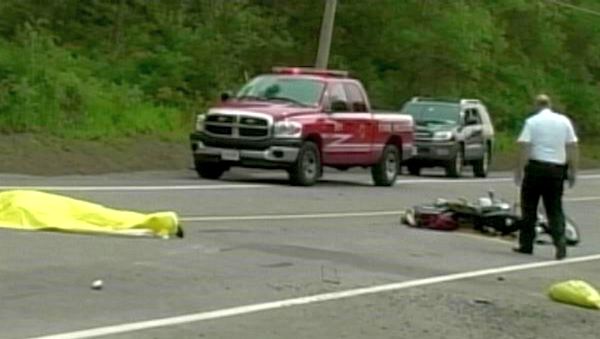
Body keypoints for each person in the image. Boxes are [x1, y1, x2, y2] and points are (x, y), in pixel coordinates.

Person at [513, 94, 579, 260]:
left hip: (536, 167)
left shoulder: (532, 122)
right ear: (550, 104)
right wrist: (573, 170)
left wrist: (519, 169)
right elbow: (572, 146)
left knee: (529, 207)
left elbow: (525, 146)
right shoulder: (564, 121)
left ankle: (526, 244)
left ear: (536, 105)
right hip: (557, 169)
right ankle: (560, 243)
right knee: (555, 208)